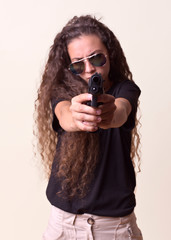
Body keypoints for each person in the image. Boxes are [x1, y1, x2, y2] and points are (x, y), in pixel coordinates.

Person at [35, 15, 143, 240]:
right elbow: (64, 115)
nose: (88, 70)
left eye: (96, 59)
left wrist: (109, 113)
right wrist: (77, 117)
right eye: (77, 64)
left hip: (113, 229)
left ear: (109, 54)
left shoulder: (126, 89)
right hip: (63, 225)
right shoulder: (61, 93)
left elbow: (121, 111)